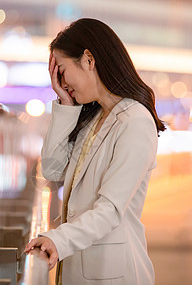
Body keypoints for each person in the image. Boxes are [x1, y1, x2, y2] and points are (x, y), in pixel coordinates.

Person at [25, 18, 165, 285]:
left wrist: (58, 239)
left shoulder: (135, 122)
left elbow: (110, 209)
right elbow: (53, 171)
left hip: (112, 275)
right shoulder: (94, 118)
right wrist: (65, 103)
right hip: (85, 269)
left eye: (62, 71)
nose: (61, 82)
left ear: (89, 59)